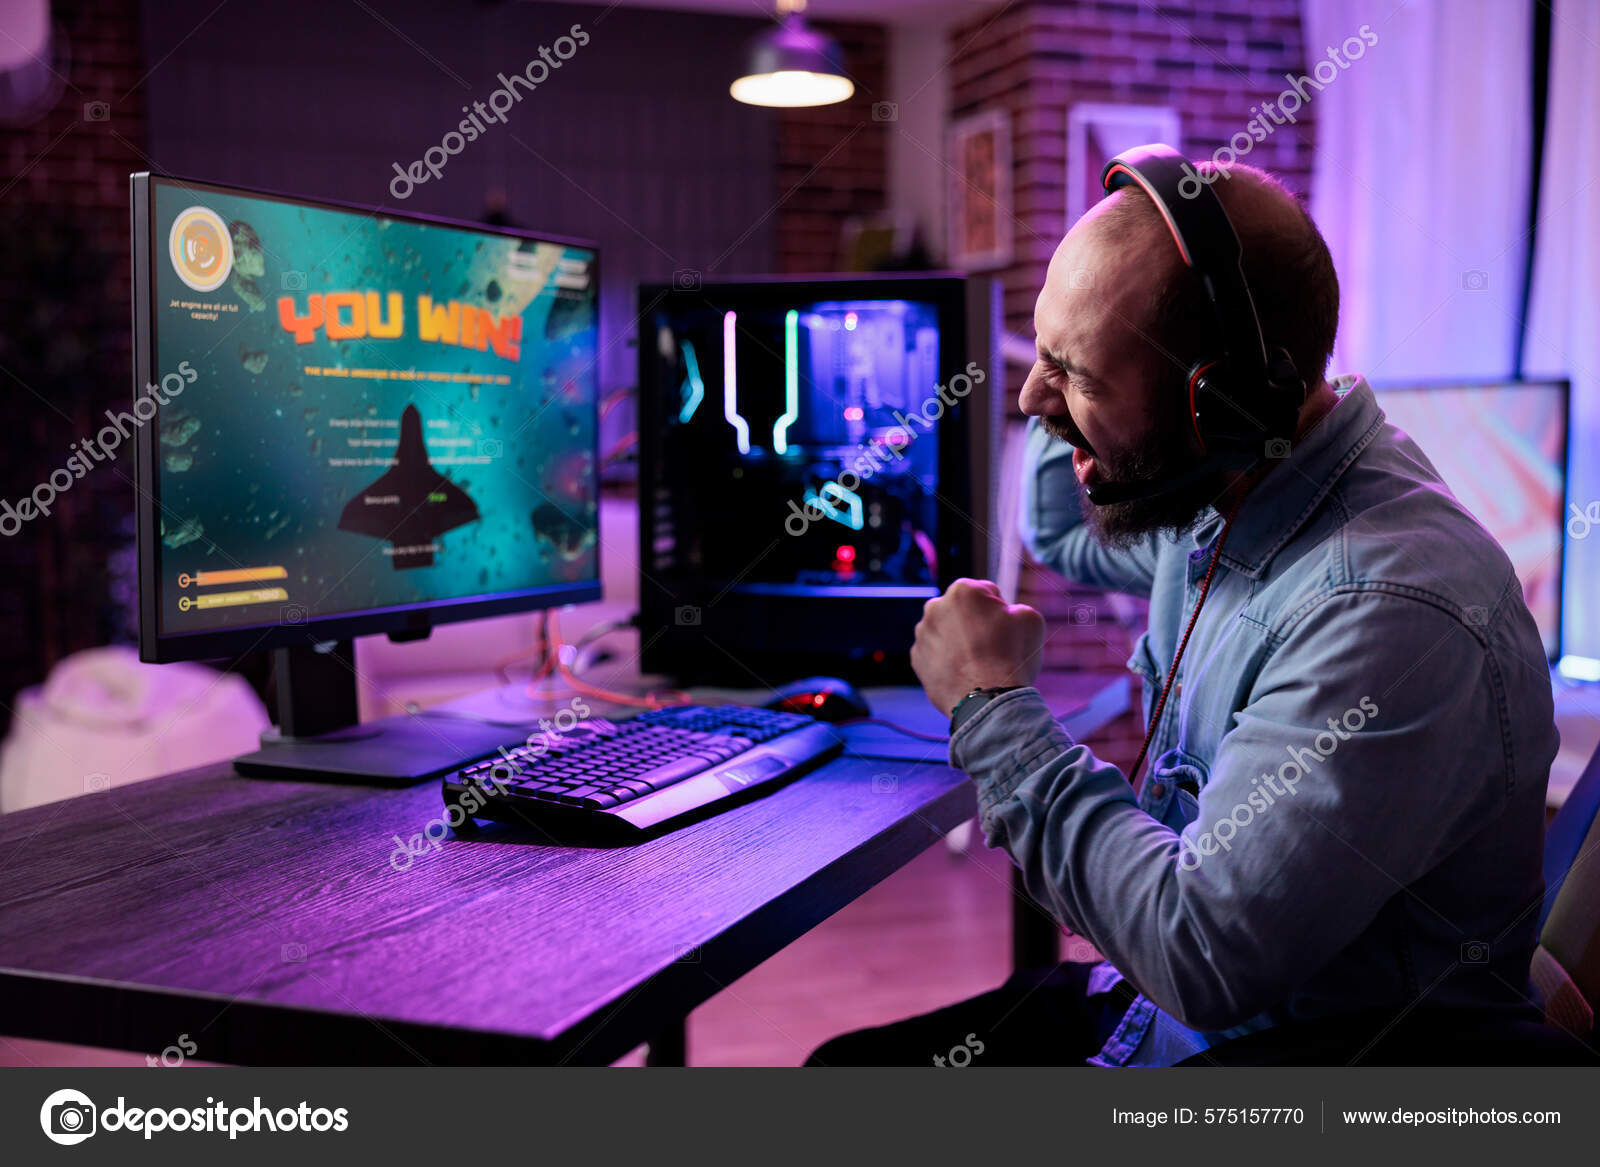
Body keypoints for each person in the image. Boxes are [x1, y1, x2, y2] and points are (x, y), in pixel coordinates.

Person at [808, 156, 1562, 1066]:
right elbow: (1064, 530)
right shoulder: (1235, 488)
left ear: (1221, 405)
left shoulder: (1386, 610)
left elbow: (1201, 952)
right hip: (1157, 1017)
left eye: (1074, 374)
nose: (1026, 400)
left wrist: (993, 707)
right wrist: (1071, 383)